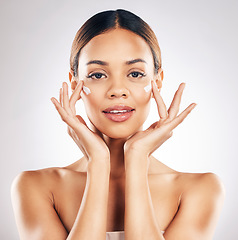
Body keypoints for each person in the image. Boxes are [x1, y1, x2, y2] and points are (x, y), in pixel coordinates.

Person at [11, 9, 225, 240]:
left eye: (134, 73)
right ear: (75, 84)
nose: (117, 91)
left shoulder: (199, 190)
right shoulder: (37, 188)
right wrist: (98, 164)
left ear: (157, 81)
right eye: (98, 75)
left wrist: (137, 157)